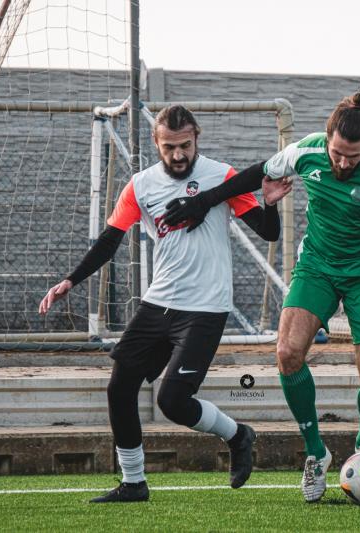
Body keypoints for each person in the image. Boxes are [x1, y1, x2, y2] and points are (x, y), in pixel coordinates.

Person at [162, 92, 360, 503]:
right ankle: (315, 453)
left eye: (353, 157)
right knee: (287, 352)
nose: (343, 163)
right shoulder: (306, 151)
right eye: (338, 153)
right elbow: (255, 175)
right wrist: (201, 203)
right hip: (317, 268)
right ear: (327, 140)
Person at [39, 105, 292, 503]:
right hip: (158, 303)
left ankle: (238, 435)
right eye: (170, 147)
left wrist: (272, 202)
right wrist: (70, 280)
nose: (178, 155)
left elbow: (270, 232)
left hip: (206, 307)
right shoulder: (140, 186)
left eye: (185, 146)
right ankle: (134, 482)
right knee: (120, 387)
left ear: (197, 140)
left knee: (172, 401)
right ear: (156, 144)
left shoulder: (222, 177)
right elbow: (109, 241)